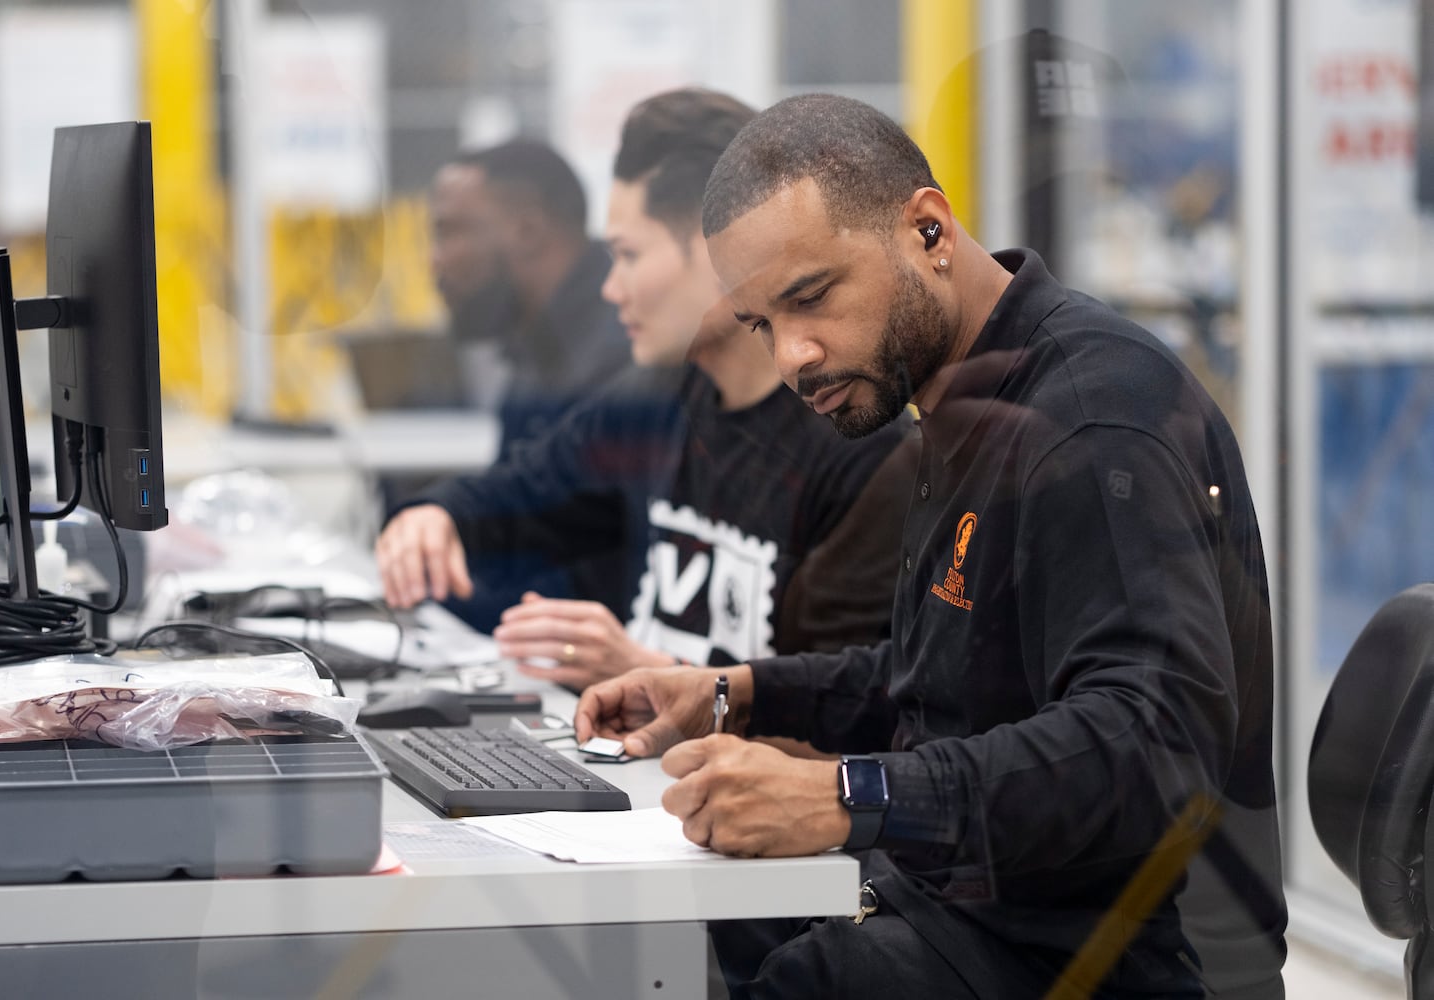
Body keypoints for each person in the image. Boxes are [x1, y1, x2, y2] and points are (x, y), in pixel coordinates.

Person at [575, 94, 1287, 998]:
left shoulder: (1094, 420)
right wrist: (734, 695)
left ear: (928, 233)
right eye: (762, 323)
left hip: (1118, 964)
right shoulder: (963, 396)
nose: (793, 354)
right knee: (706, 912)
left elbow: (1149, 748)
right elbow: (953, 683)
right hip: (986, 919)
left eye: (812, 296)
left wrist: (848, 794)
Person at [377, 88, 916, 688]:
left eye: (628, 255)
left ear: (723, 254)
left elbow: (853, 721)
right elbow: (529, 490)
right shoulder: (654, 397)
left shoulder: (859, 445)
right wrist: (438, 515)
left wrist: (651, 675)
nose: (611, 289)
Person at [427, 139, 633, 459]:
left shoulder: (620, 354)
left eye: (452, 231)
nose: (435, 259)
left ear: (528, 230)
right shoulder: (538, 347)